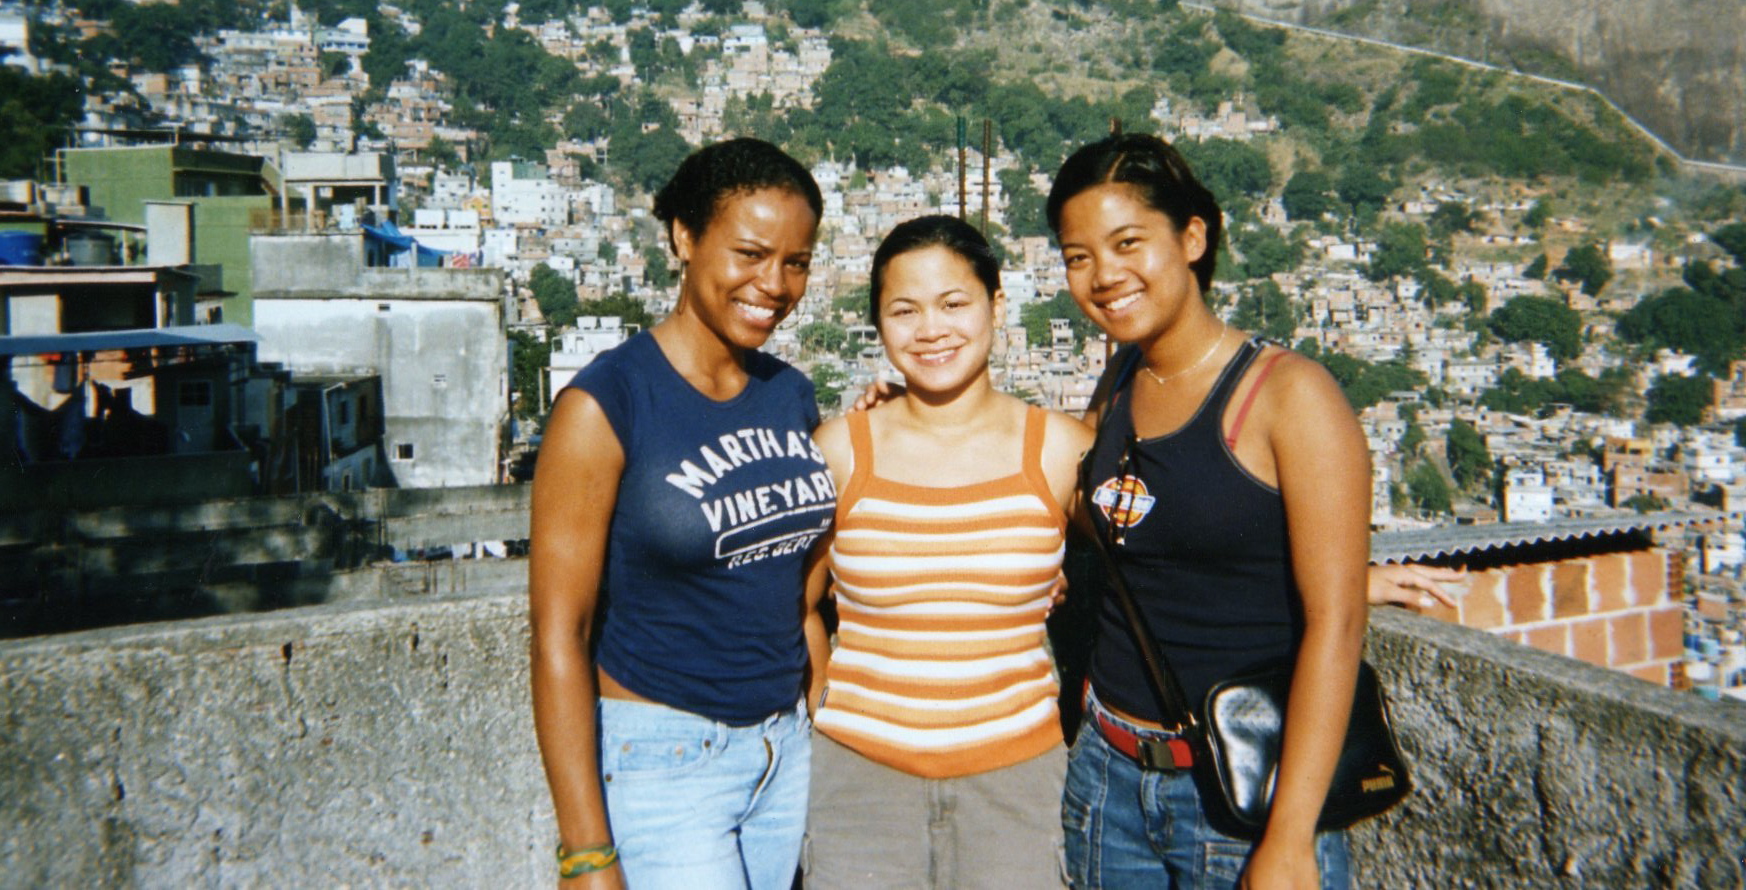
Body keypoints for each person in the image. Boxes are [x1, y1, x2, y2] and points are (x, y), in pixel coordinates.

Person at [1047, 133, 1370, 890]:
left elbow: (1338, 625)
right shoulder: (1122, 377)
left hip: (1238, 795)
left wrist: (1290, 839)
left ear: (1193, 236)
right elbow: (1107, 516)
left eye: (1128, 243)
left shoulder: (1289, 396)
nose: (1104, 276)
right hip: (1107, 774)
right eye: (1077, 256)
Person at [529, 139, 833, 889]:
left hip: (785, 752)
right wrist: (585, 850)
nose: (775, 284)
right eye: (751, 253)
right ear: (685, 238)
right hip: (667, 761)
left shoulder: (789, 393)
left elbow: (800, 578)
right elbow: (557, 634)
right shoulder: (606, 406)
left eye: (796, 261)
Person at [803, 215, 1093, 889]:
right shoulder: (842, 450)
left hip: (1019, 785)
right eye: (904, 311)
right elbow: (795, 600)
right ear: (878, 324)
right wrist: (824, 702)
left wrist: (1346, 580)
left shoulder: (1059, 450)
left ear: (996, 304)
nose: (931, 330)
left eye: (954, 303)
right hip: (859, 785)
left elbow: (1160, 559)